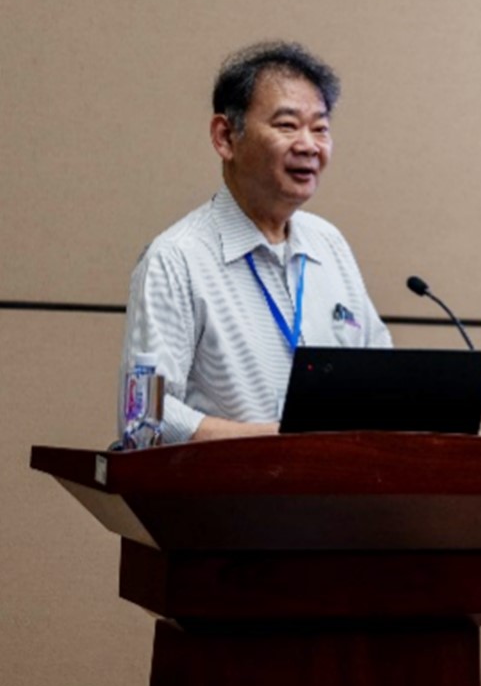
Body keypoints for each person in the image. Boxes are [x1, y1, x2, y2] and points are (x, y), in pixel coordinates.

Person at [119, 41, 391, 444]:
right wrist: (273, 441)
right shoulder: (177, 259)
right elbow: (145, 416)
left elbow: (381, 376)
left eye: (320, 128)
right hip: (230, 485)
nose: (309, 145)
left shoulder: (329, 244)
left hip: (336, 483)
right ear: (225, 137)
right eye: (287, 125)